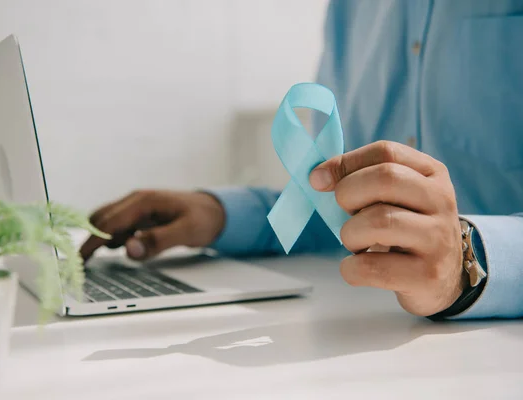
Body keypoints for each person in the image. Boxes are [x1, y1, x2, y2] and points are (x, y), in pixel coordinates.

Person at [80, 1, 523, 320]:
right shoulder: (350, 11)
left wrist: (469, 262)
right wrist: (222, 214)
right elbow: (340, 207)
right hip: (349, 332)